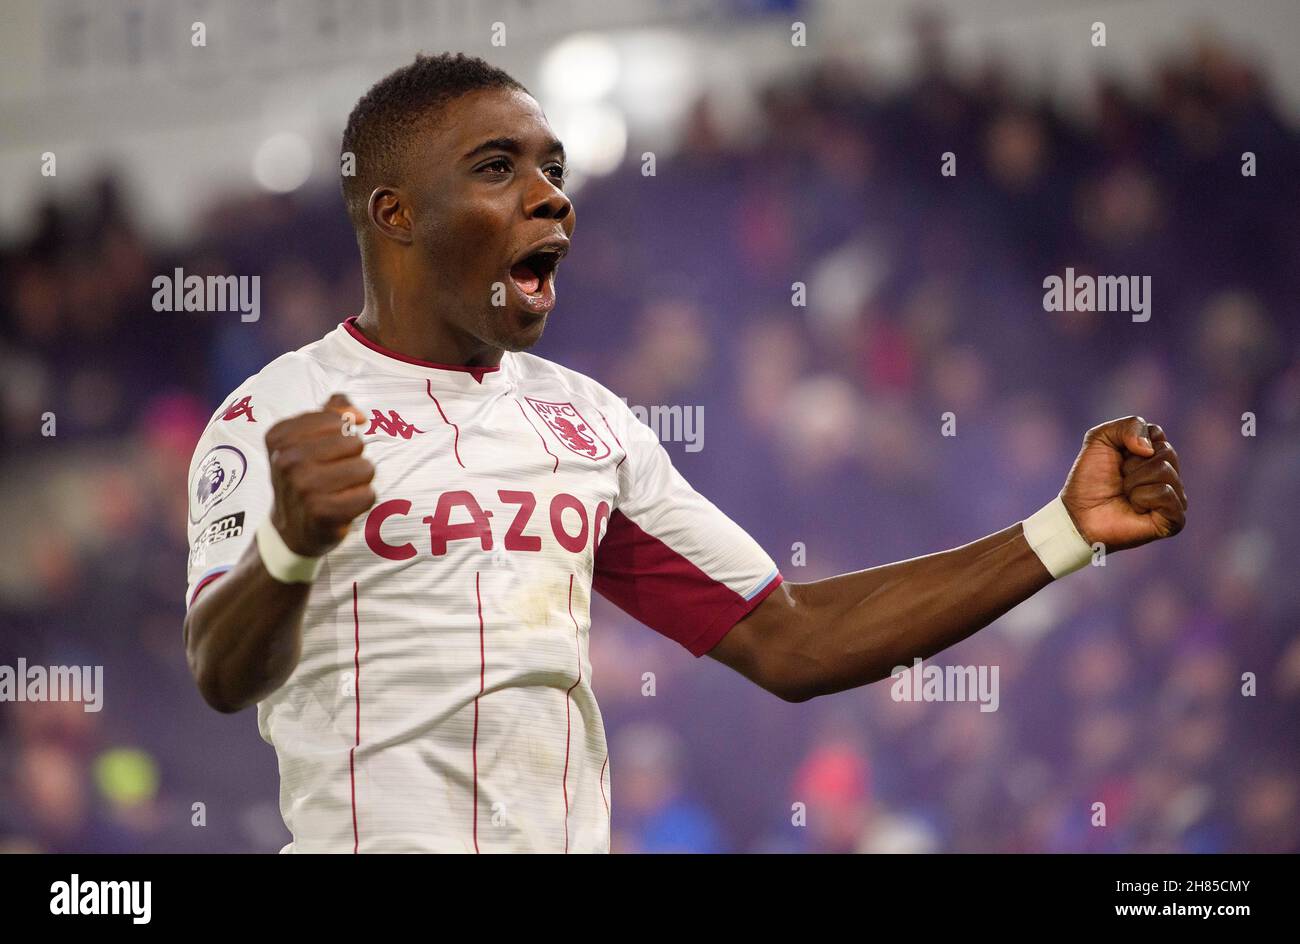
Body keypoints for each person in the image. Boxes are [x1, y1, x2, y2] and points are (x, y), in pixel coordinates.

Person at [181, 53, 1187, 853]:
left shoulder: (586, 422)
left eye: (554, 171)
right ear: (394, 210)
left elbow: (787, 639)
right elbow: (221, 670)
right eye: (499, 167)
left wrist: (1062, 530)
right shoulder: (275, 414)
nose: (551, 198)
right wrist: (289, 547)